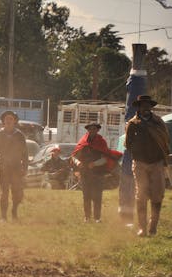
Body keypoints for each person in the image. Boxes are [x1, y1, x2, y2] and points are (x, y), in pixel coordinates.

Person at [125, 95, 170, 236]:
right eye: (143, 105)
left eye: (147, 105)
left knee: (158, 195)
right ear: (139, 106)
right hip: (140, 163)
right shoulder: (132, 124)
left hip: (157, 162)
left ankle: (153, 227)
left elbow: (165, 140)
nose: (145, 107)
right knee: (141, 195)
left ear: (151, 107)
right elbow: (128, 143)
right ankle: (142, 228)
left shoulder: (158, 122)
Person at [71, 123, 121, 223]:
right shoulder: (83, 142)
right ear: (88, 130)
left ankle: (97, 218)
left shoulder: (101, 142)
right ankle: (87, 217)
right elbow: (74, 156)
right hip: (85, 173)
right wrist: (78, 162)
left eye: (94, 129)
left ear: (97, 130)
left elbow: (106, 158)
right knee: (86, 195)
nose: (92, 130)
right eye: (90, 129)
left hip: (98, 173)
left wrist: (95, 164)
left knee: (97, 195)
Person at [0, 111, 28, 221]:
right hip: (3, 168)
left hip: (16, 168)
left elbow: (25, 153)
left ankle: (14, 212)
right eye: (6, 119)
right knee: (4, 193)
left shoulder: (19, 135)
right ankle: (3, 217)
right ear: (3, 121)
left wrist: (25, 168)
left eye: (11, 119)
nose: (8, 121)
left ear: (14, 121)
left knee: (17, 193)